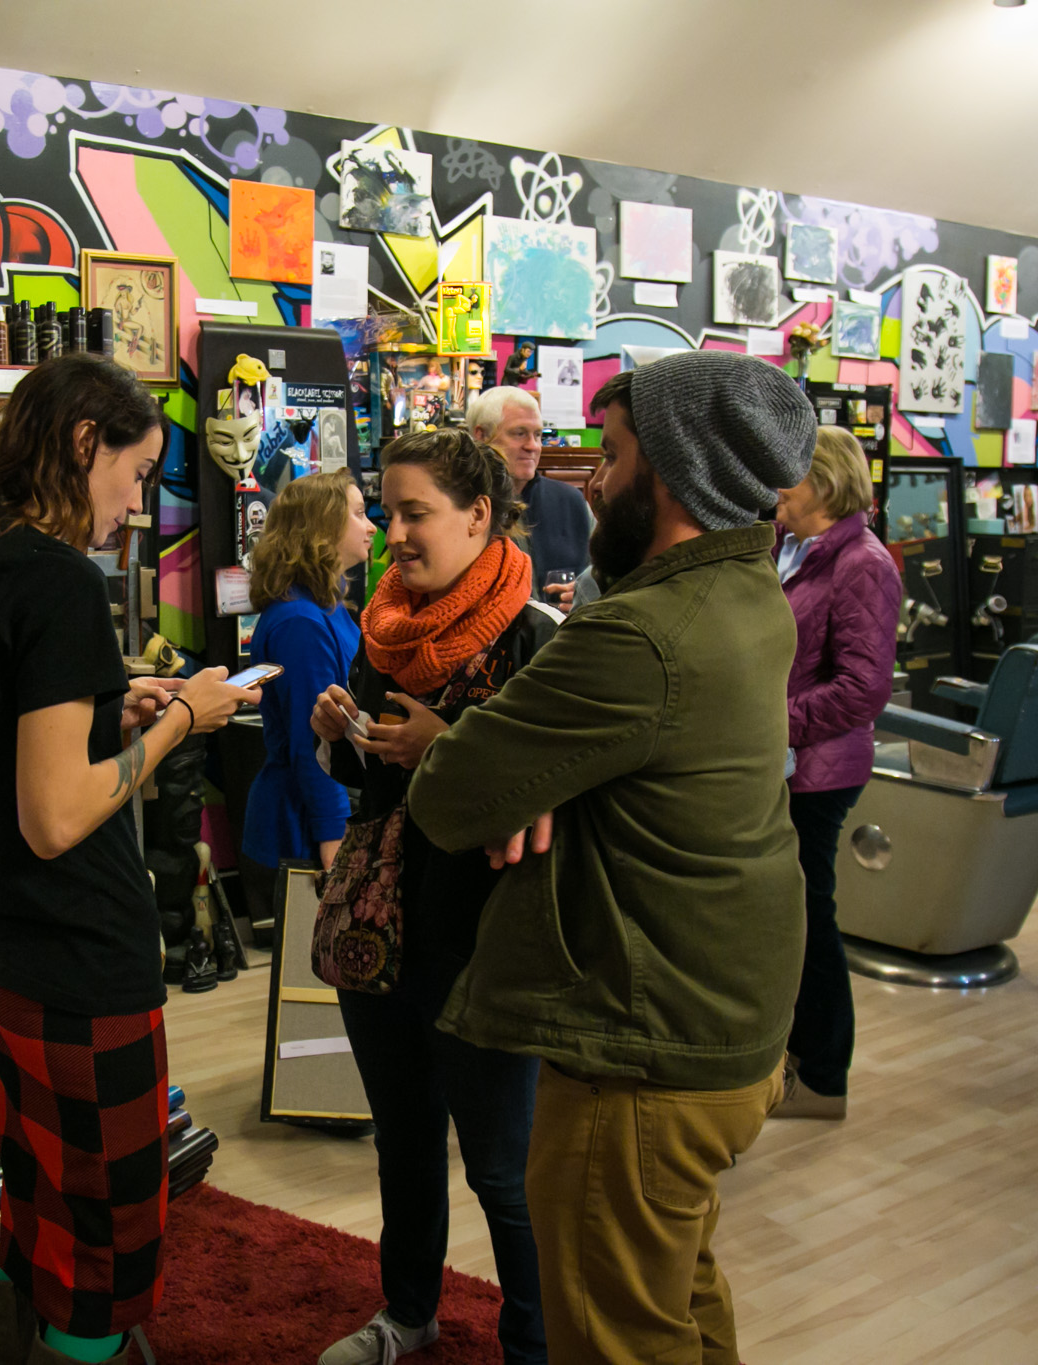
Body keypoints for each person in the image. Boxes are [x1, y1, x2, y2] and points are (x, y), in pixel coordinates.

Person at [405, 351, 814, 1365]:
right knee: (676, 1293)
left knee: (615, 1336)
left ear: (670, 472)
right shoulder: (744, 589)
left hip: (644, 1042)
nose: (588, 477)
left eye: (615, 452)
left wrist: (488, 758)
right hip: (729, 1018)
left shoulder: (639, 632)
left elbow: (452, 795)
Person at [0, 353, 260, 1365]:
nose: (138, 504)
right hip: (81, 958)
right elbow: (56, 819)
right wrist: (181, 719)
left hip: (2, 956)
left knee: (39, 1195)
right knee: (107, 1230)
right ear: (79, 443)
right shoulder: (56, 584)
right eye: (136, 472)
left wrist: (112, 719)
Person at [307, 430, 557, 1365]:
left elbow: (554, 788)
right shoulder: (385, 627)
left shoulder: (536, 637)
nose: (395, 532)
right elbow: (370, 785)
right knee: (404, 1146)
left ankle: (533, 1342)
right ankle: (409, 1312)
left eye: (416, 512)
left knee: (502, 1169)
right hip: (383, 933)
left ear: (478, 515)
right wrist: (341, 733)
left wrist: (440, 744)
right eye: (390, 508)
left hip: (489, 942)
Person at [769, 427, 902, 1120]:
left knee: (810, 921)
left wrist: (770, 719)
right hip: (781, 764)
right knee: (786, 919)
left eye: (786, 477)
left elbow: (862, 689)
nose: (775, 490)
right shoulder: (791, 548)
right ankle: (790, 1062)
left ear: (822, 480)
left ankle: (823, 1074)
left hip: (818, 771)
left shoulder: (862, 563)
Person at [238, 471, 377, 932]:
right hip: (301, 823)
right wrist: (332, 833)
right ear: (322, 527)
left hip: (312, 809)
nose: (372, 525)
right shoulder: (302, 620)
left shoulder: (322, 606)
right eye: (358, 514)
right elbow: (312, 739)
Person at [468, 385, 591, 610]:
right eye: (519, 433)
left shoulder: (572, 502)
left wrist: (586, 593)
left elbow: (611, 578)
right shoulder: (459, 508)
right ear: (481, 435)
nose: (533, 446)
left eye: (537, 435)